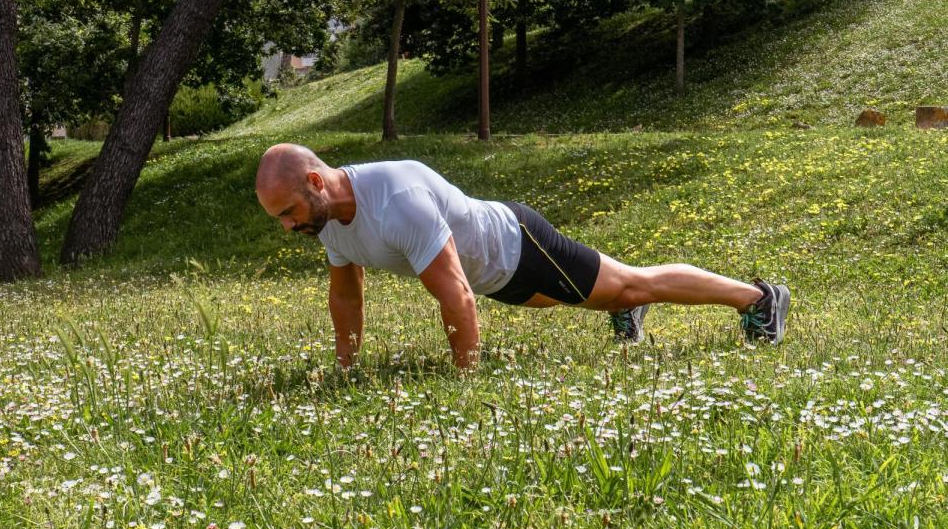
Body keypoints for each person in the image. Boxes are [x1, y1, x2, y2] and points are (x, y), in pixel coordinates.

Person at [255, 143, 790, 370]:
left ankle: (759, 298)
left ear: (315, 181)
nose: (287, 226)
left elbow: (456, 296)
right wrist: (345, 368)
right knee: (570, 300)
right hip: (496, 275)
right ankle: (621, 311)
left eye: (287, 212)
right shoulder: (324, 220)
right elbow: (345, 294)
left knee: (630, 284)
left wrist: (464, 381)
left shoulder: (398, 200)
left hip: (517, 244)